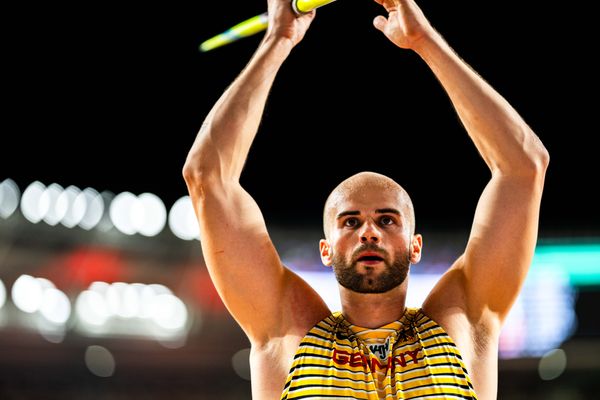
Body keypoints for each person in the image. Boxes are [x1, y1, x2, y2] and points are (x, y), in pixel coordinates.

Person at [183, 0, 549, 398]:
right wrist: (278, 39)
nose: (369, 232)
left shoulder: (462, 322)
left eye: (388, 220)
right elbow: (207, 177)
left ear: (415, 246)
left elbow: (524, 166)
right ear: (325, 250)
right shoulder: (289, 329)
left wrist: (424, 41)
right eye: (350, 221)